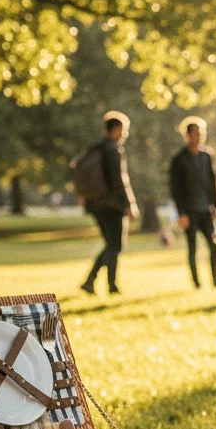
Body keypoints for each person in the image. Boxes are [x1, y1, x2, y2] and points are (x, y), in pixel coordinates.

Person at [81, 111, 138, 295]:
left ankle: (90, 281)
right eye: (124, 129)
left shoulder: (95, 148)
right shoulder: (113, 149)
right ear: (116, 129)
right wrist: (129, 204)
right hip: (113, 206)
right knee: (115, 246)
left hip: (96, 205)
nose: (125, 134)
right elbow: (119, 180)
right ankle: (111, 286)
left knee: (110, 245)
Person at [169, 116, 216, 289]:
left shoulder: (207, 156)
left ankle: (215, 281)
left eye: (202, 133)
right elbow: (176, 190)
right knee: (192, 248)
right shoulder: (178, 159)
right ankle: (196, 283)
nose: (200, 137)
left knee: (213, 246)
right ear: (188, 135)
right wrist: (181, 214)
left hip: (206, 210)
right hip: (189, 212)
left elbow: (214, 182)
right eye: (196, 133)